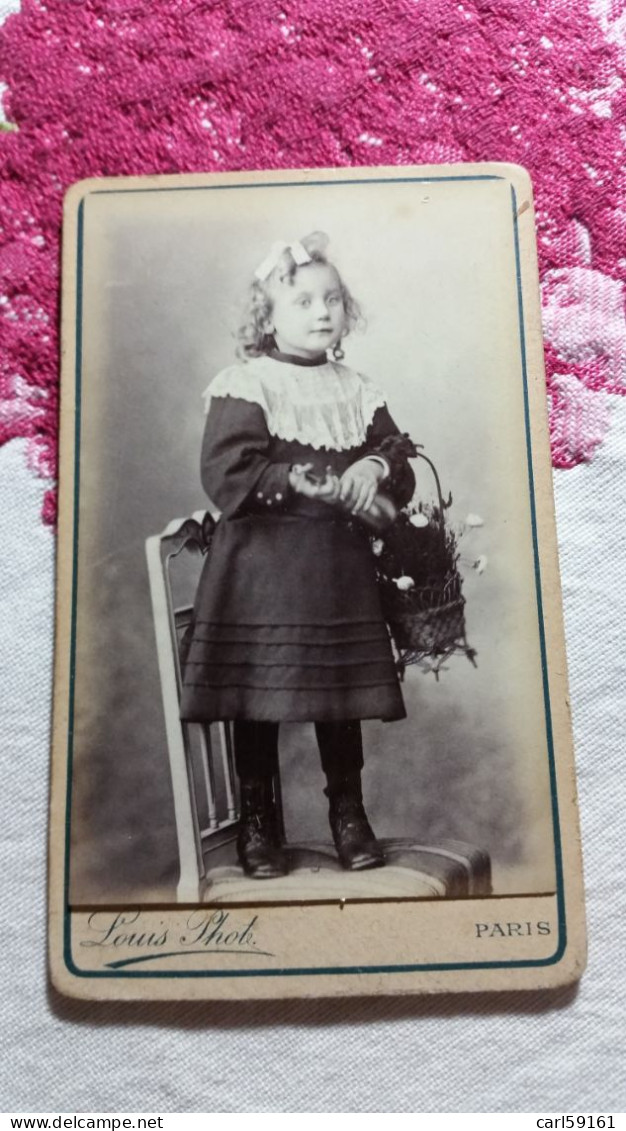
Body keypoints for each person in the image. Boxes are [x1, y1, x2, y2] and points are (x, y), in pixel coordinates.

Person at [180, 232, 416, 879]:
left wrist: (374, 463)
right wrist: (292, 481)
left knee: (337, 696)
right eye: (304, 301)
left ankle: (348, 813)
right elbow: (228, 472)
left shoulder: (358, 387)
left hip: (337, 574)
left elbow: (402, 460)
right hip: (259, 574)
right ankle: (259, 823)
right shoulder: (247, 383)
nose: (322, 312)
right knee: (256, 697)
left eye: (333, 300)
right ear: (267, 317)